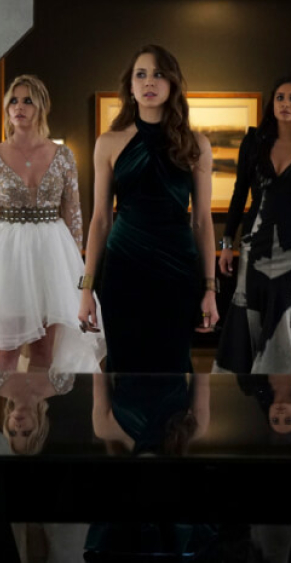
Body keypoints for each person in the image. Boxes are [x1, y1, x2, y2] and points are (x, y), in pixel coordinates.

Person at [0, 75, 105, 373]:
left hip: (52, 255)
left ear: (41, 106)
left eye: (28, 100)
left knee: (44, 354)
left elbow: (74, 216)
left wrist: (75, 274)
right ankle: (7, 405)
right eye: (13, 100)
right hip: (7, 256)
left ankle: (39, 404)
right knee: (5, 354)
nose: (19, 107)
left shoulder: (63, 156)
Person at [77, 45, 219, 373]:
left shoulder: (196, 144)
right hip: (123, 271)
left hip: (177, 272)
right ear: (130, 86)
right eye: (141, 74)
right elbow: (100, 220)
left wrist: (210, 289)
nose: (149, 82)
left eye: (159, 74)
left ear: (172, 84)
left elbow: (202, 221)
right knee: (123, 368)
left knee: (174, 368)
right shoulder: (108, 143)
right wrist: (86, 289)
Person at [214, 77, 291, 375]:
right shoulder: (254, 142)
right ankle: (248, 390)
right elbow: (239, 194)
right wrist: (226, 244)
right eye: (280, 97)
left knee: (289, 314)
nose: (285, 104)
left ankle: (289, 390)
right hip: (256, 241)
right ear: (272, 103)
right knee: (250, 310)